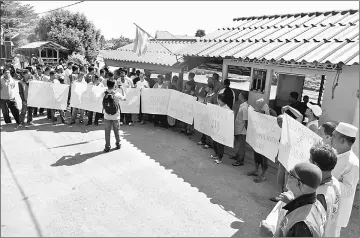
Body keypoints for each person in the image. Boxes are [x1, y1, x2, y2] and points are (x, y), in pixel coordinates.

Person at [260, 162, 326, 237]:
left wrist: (268, 235)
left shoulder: (302, 225)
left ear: (299, 184)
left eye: (291, 175)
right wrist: (292, 203)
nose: (287, 176)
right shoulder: (319, 205)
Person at [330, 122, 359, 236]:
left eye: (333, 135)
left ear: (342, 140)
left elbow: (349, 190)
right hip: (326, 204)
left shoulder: (353, 163)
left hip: (337, 212)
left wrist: (328, 178)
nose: (331, 138)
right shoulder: (333, 152)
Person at [309, 143, 341, 237]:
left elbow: (312, 227)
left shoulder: (319, 195)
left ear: (315, 164)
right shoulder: (335, 182)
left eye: (310, 160)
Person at [247, 98, 271, 183]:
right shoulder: (257, 113)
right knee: (256, 155)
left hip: (264, 140)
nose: (256, 106)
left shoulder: (270, 114)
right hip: (257, 138)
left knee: (263, 158)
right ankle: (256, 170)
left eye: (257, 105)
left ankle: (263, 174)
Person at [102, 79, 126, 152]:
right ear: (114, 85)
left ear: (107, 85)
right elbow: (124, 98)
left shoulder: (104, 94)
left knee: (107, 132)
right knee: (116, 131)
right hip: (116, 116)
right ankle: (118, 144)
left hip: (106, 115)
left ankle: (107, 146)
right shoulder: (117, 94)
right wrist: (122, 89)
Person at [211, 93, 231, 164]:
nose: (218, 101)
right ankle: (216, 154)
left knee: (220, 145)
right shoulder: (218, 106)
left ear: (222, 100)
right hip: (217, 128)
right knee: (214, 143)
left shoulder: (227, 109)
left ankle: (220, 158)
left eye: (219, 99)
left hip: (222, 130)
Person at [231, 92, 248, 166]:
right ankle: (237, 155)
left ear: (242, 97)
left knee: (241, 145)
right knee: (238, 144)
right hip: (239, 128)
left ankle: (240, 160)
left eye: (240, 95)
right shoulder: (242, 106)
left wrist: (244, 129)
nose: (238, 96)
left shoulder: (245, 107)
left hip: (242, 129)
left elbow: (246, 120)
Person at [198, 84, 217, 149]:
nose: (205, 88)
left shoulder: (214, 96)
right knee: (204, 127)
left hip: (210, 114)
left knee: (208, 129)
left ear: (210, 88)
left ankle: (208, 143)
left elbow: (215, 105)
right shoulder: (207, 95)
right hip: (205, 113)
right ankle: (203, 140)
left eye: (206, 87)